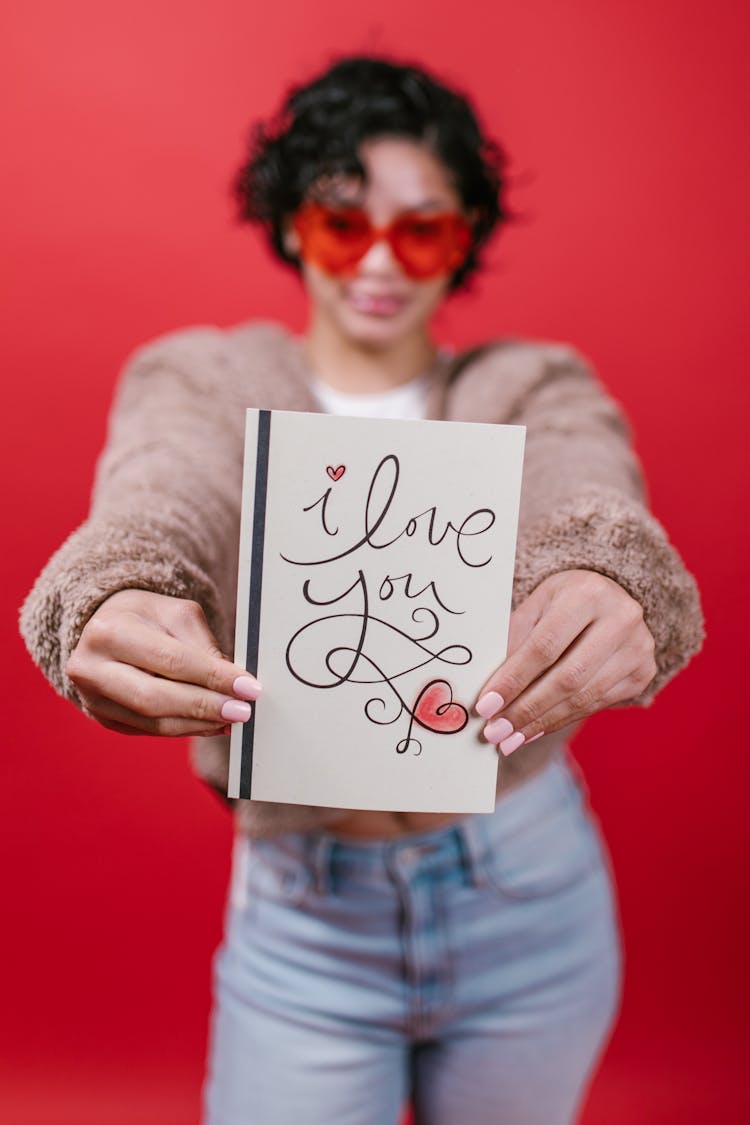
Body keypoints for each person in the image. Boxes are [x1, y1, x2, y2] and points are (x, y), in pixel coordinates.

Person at [20, 54, 705, 1125]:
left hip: (527, 894)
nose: (380, 260)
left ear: (465, 237)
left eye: (422, 228)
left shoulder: (528, 384)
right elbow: (164, 488)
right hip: (306, 916)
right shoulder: (208, 379)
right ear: (293, 226)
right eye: (345, 223)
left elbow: (587, 476)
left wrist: (609, 573)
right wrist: (116, 585)